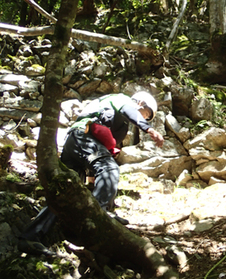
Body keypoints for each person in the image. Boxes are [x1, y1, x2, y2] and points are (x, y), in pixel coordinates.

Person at [18, 91, 164, 255]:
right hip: (84, 136)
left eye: (145, 117)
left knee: (65, 192)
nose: (142, 118)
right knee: (110, 169)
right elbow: (129, 112)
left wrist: (95, 184)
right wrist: (149, 129)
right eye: (144, 114)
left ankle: (31, 237)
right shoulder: (122, 100)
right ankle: (97, 216)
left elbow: (101, 159)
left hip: (77, 144)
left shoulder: (120, 122)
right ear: (140, 103)